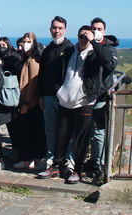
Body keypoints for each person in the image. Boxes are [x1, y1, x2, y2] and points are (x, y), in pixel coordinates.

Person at [37, 25, 114, 184]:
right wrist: (59, 90)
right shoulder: (70, 51)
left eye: (86, 36)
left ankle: (77, 170)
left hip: (84, 102)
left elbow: (107, 61)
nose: (83, 38)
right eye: (81, 35)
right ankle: (57, 166)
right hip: (65, 100)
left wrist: (95, 42)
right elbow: (59, 71)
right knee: (61, 136)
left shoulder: (94, 53)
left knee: (81, 139)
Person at [83, 17, 118, 179]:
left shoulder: (109, 48)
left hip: (101, 96)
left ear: (104, 31)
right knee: (87, 131)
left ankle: (99, 163)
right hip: (86, 95)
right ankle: (92, 160)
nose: (95, 31)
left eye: (99, 29)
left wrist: (96, 44)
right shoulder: (87, 46)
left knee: (98, 132)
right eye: (93, 28)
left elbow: (109, 65)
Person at [38, 16, 74, 170]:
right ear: (50, 29)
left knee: (66, 130)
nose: (56, 30)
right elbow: (42, 73)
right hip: (47, 95)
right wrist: (40, 94)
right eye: (54, 27)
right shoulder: (47, 50)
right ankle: (51, 156)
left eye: (60, 28)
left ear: (65, 29)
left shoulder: (70, 49)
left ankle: (66, 159)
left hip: (64, 97)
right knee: (50, 128)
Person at [12, 33, 45, 169]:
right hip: (28, 102)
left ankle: (30, 159)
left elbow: (33, 83)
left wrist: (26, 102)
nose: (25, 44)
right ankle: (33, 158)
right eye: (24, 41)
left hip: (31, 103)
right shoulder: (27, 58)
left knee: (29, 131)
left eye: (28, 41)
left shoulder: (34, 60)